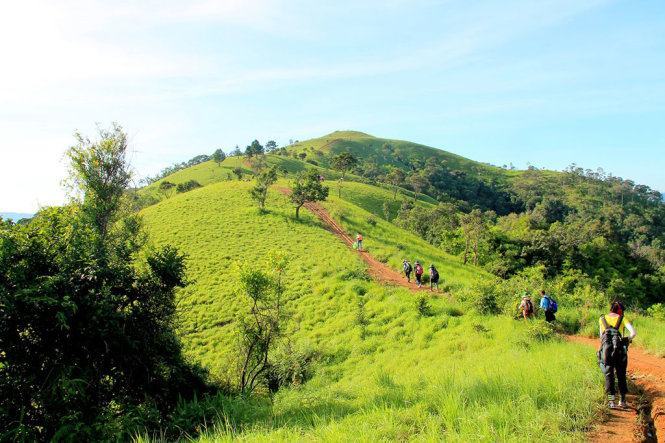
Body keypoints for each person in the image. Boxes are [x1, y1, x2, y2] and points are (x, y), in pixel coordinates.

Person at [599, 300, 636, 409]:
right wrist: (626, 339)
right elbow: (633, 333)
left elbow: (601, 336)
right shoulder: (622, 319)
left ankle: (611, 402)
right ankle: (622, 401)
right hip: (620, 351)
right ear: (620, 310)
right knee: (621, 375)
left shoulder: (602, 319)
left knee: (609, 375)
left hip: (606, 351)